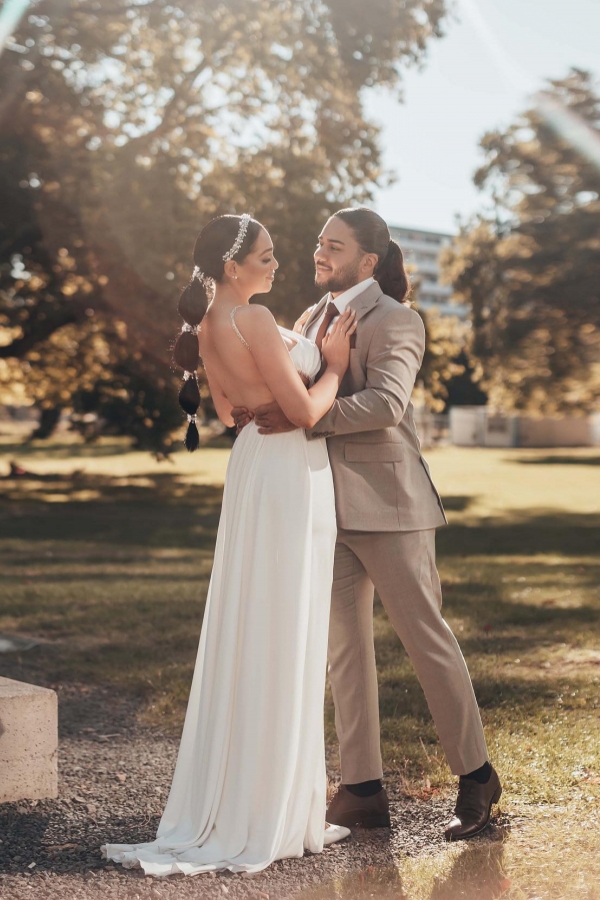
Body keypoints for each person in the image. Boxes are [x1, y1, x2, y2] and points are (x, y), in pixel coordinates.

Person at [232, 207, 502, 842]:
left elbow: (386, 402)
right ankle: (361, 789)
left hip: (391, 506)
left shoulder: (398, 319)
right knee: (343, 651)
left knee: (425, 641)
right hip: (323, 506)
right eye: (319, 243)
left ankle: (477, 776)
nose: (320, 253)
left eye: (335, 245)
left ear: (368, 261)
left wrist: (303, 416)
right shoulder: (308, 318)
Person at [101, 214, 356, 876]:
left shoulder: (207, 327)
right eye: (266, 257)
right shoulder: (254, 319)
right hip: (287, 468)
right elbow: (304, 413)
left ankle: (261, 801)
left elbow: (225, 414)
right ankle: (272, 811)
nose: (276, 265)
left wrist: (261, 399)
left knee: (255, 622)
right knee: (284, 625)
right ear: (233, 266)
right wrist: (332, 366)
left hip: (252, 466)